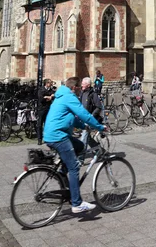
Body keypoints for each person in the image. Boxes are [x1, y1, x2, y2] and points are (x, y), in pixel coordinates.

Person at [43, 76, 105, 214]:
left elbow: (72, 118)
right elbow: (84, 113)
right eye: (78, 88)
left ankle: (62, 174)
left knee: (80, 147)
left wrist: (84, 126)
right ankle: (77, 203)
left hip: (51, 134)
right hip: (58, 136)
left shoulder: (60, 96)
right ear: (74, 88)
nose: (79, 92)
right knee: (75, 167)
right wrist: (100, 127)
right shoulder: (69, 97)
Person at [79, 77, 104, 147]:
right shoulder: (82, 93)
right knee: (88, 138)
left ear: (88, 85)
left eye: (83, 84)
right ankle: (98, 150)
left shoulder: (93, 94)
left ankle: (80, 157)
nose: (82, 85)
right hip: (83, 118)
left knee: (84, 137)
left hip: (89, 119)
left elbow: (99, 106)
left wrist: (92, 115)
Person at [37, 78, 54, 145]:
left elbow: (54, 96)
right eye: (50, 83)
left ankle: (47, 138)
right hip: (41, 109)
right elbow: (41, 98)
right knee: (40, 124)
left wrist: (49, 97)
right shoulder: (41, 90)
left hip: (48, 108)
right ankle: (39, 139)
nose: (51, 84)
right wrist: (48, 97)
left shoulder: (51, 90)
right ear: (46, 83)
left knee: (47, 124)